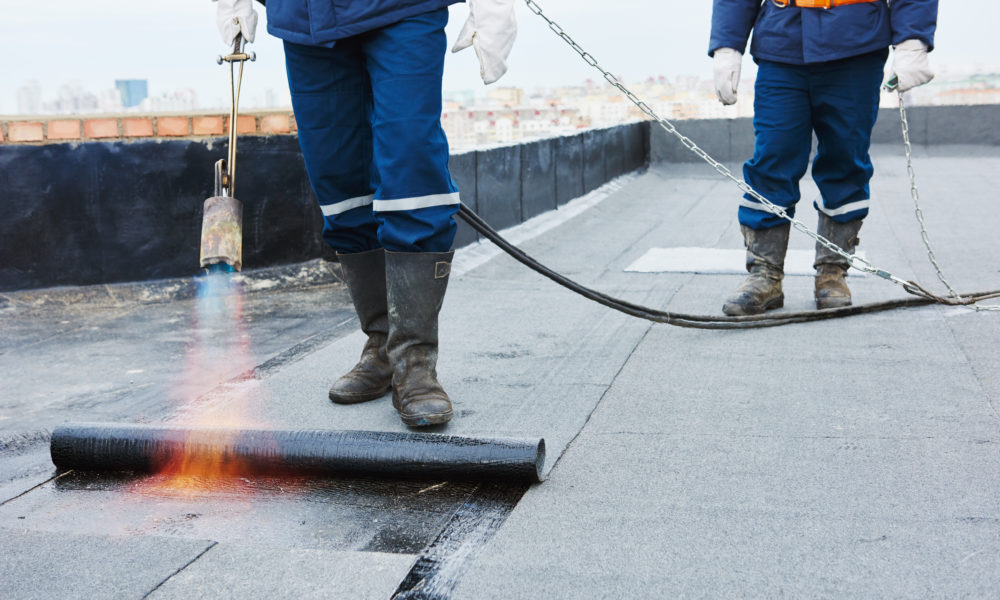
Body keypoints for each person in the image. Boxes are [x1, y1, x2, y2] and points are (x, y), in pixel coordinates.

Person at [215, 0, 516, 426]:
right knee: (339, 182)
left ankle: (414, 360)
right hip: (306, 19)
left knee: (412, 167)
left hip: (402, 10)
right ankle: (382, 344)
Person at [710, 0, 938, 315]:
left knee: (845, 161)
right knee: (772, 158)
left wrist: (912, 40)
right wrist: (727, 45)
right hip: (783, 45)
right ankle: (764, 274)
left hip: (855, 45)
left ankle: (832, 271)